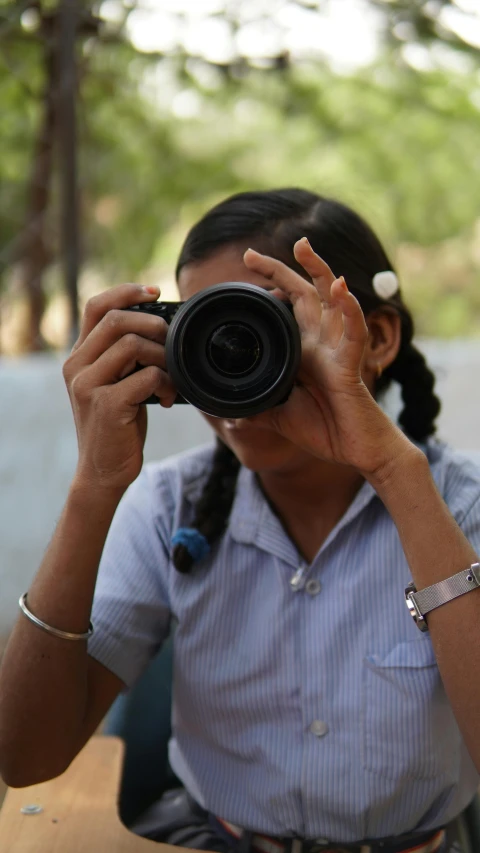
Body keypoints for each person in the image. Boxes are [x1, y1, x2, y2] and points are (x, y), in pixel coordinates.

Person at [1, 188, 480, 853]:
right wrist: (94, 485)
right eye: (213, 327)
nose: (239, 354)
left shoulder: (464, 504)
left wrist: (394, 470)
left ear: (378, 339)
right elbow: (24, 757)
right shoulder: (170, 507)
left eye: (275, 323)